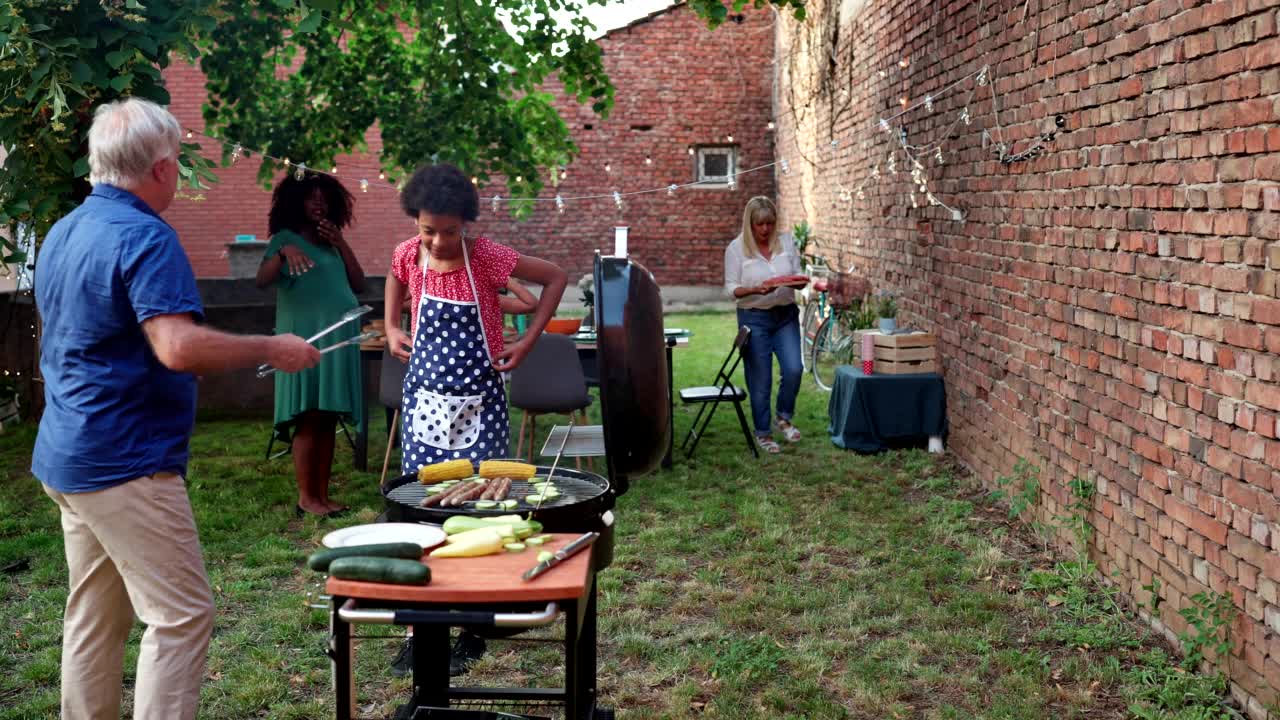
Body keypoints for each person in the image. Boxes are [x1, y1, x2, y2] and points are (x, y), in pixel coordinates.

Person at [31, 98, 319, 720]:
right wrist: (273, 346)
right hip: (124, 461)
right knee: (181, 616)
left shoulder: (64, 228)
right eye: (179, 166)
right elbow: (178, 347)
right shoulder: (144, 235)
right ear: (162, 168)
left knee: (93, 615)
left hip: (68, 453)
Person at [385, 163, 567, 471]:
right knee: (421, 494)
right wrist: (391, 326)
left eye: (450, 232)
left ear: (465, 223)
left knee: (483, 495)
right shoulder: (408, 253)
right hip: (424, 401)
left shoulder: (486, 257)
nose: (439, 242)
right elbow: (395, 276)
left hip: (480, 405)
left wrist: (526, 343)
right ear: (415, 220)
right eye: (428, 231)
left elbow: (556, 278)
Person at [256, 173, 368, 517]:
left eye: (323, 198)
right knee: (307, 416)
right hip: (304, 337)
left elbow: (359, 283)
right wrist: (283, 251)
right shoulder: (284, 239)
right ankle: (307, 497)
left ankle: (322, 495)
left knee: (326, 416)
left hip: (337, 336)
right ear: (295, 202)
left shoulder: (331, 240)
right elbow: (262, 280)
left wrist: (341, 243)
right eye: (311, 198)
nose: (318, 203)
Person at [723, 196, 807, 454]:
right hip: (753, 316)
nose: (765, 229)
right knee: (761, 379)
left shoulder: (787, 242)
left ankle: (782, 416)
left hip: (785, 315)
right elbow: (731, 288)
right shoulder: (736, 249)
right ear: (750, 224)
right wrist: (754, 289)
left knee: (794, 368)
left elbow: (800, 278)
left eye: (770, 223)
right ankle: (763, 433)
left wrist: (794, 281)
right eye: (759, 224)